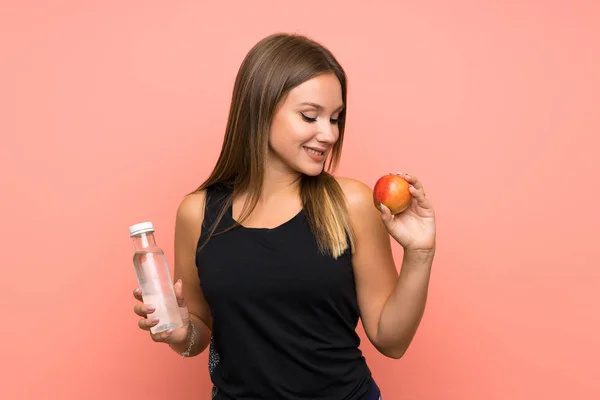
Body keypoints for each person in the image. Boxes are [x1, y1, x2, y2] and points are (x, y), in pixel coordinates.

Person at [132, 32, 436, 400]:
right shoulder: (198, 213)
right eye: (310, 116)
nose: (328, 134)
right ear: (260, 110)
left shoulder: (350, 203)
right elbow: (197, 333)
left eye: (336, 119)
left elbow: (392, 340)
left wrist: (420, 253)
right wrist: (180, 332)